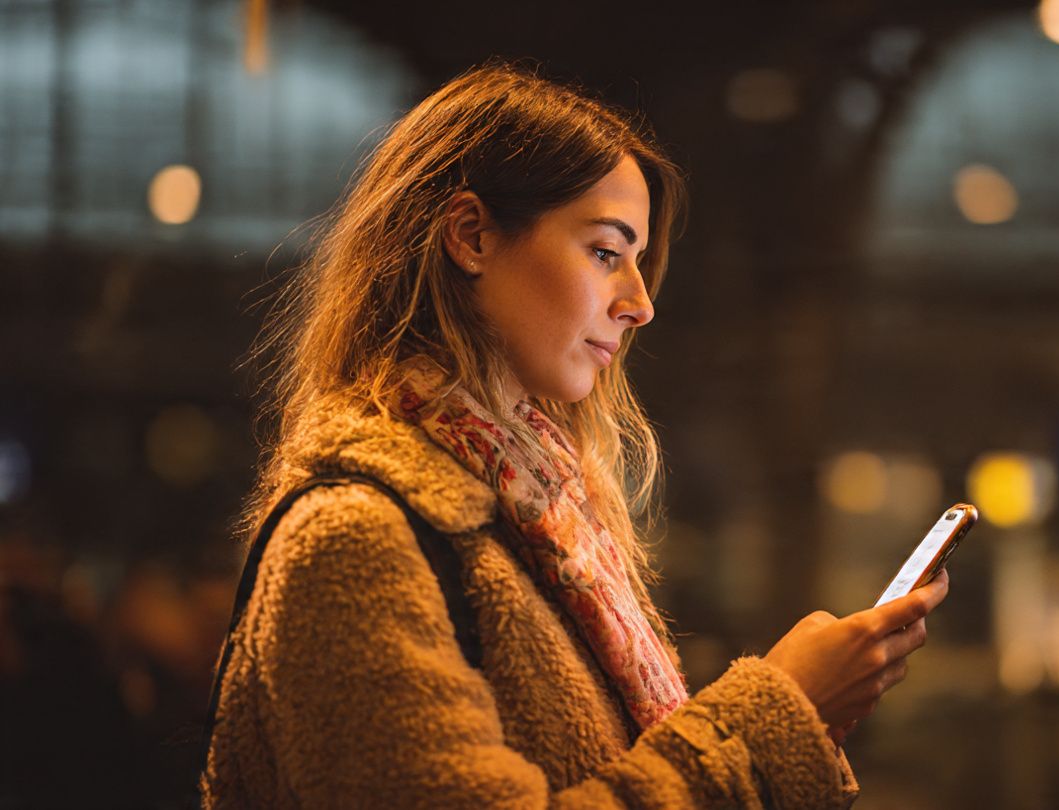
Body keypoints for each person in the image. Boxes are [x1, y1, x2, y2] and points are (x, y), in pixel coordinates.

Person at [201, 61, 949, 809]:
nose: (640, 303)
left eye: (637, 259)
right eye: (604, 252)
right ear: (470, 236)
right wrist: (775, 715)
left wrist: (804, 718)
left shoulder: (542, 518)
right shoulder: (357, 537)